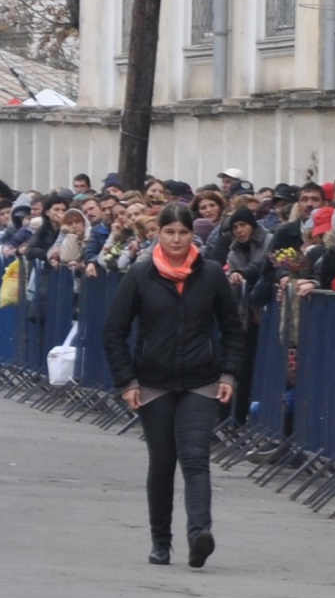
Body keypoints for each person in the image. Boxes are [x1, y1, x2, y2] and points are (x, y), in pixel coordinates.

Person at [103, 203, 244, 568]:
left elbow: (232, 329)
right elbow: (114, 331)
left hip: (201, 380)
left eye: (183, 232)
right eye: (170, 232)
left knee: (196, 459)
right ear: (158, 234)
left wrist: (228, 374)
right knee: (163, 463)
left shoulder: (211, 274)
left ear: (192, 236)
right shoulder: (140, 275)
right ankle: (160, 542)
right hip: (154, 382)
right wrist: (127, 381)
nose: (177, 239)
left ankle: (200, 534)